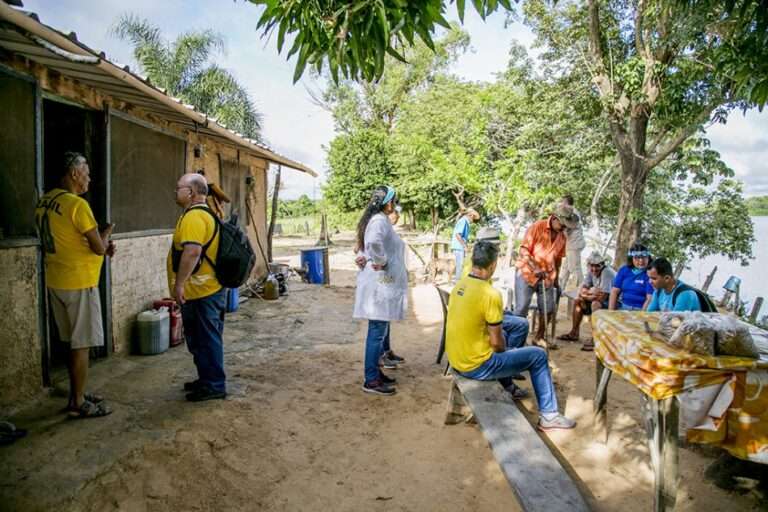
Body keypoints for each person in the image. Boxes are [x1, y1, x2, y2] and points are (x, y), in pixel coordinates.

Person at [446, 241, 576, 431]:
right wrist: (510, 350)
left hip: (457, 359)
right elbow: (498, 345)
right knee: (538, 355)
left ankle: (507, 384)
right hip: (476, 366)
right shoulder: (490, 293)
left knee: (508, 333)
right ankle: (549, 415)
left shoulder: (460, 284)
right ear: (492, 265)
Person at [35, 152, 115, 418]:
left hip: (56, 281)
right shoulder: (77, 205)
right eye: (87, 173)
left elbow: (68, 240)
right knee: (81, 345)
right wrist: (107, 234)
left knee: (72, 343)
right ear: (74, 174)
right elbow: (98, 247)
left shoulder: (45, 201)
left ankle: (76, 392)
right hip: (79, 283)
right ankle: (77, 402)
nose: (89, 178)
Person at [168, 173, 227, 402]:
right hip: (207, 288)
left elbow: (192, 252)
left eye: (179, 187)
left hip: (201, 291)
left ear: (191, 192)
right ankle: (207, 379)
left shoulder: (194, 217)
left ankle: (213, 385)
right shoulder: (203, 214)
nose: (176, 191)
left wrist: (179, 284)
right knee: (202, 338)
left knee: (205, 338)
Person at [353, 186, 408, 395]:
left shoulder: (379, 220)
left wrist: (372, 258)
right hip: (379, 283)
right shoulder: (378, 221)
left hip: (383, 282)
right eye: (393, 200)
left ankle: (375, 373)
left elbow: (369, 246)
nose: (394, 204)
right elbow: (374, 242)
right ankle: (371, 380)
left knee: (380, 329)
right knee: (376, 331)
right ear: (388, 202)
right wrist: (382, 261)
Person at [513, 204, 577, 346]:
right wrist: (535, 268)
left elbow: (558, 259)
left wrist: (556, 281)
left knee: (549, 308)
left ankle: (539, 337)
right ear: (554, 218)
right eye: (562, 224)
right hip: (526, 272)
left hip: (547, 276)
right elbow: (523, 251)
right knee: (521, 307)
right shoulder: (537, 227)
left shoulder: (562, 237)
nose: (564, 228)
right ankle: (516, 341)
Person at [557, 251, 616, 351]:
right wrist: (590, 294)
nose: (594, 268)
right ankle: (574, 333)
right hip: (596, 299)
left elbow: (602, 297)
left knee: (595, 304)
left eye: (597, 266)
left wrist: (587, 295)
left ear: (602, 265)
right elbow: (582, 290)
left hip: (613, 304)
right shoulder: (590, 272)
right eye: (592, 265)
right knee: (578, 301)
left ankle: (596, 338)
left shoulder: (607, 273)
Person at [608, 243, 654, 311]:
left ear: (648, 258)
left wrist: (641, 316)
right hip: (622, 307)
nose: (641, 260)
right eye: (637, 257)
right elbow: (614, 291)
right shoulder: (624, 270)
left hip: (640, 310)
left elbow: (649, 298)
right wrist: (611, 312)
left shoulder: (651, 273)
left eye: (644, 257)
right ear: (631, 258)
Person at [558, 195, 586, 291]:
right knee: (565, 268)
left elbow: (570, 217)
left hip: (574, 243)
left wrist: (561, 207)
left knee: (574, 268)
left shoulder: (571, 210)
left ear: (566, 202)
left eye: (562, 201)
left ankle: (581, 290)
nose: (561, 203)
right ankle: (560, 289)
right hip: (569, 244)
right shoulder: (566, 211)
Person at [451, 208, 480, 282]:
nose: (473, 221)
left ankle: (460, 282)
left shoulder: (464, 222)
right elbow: (458, 234)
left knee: (461, 265)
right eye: (473, 218)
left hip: (460, 246)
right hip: (459, 247)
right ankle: (458, 283)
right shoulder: (463, 221)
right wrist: (464, 246)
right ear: (470, 215)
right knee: (460, 266)